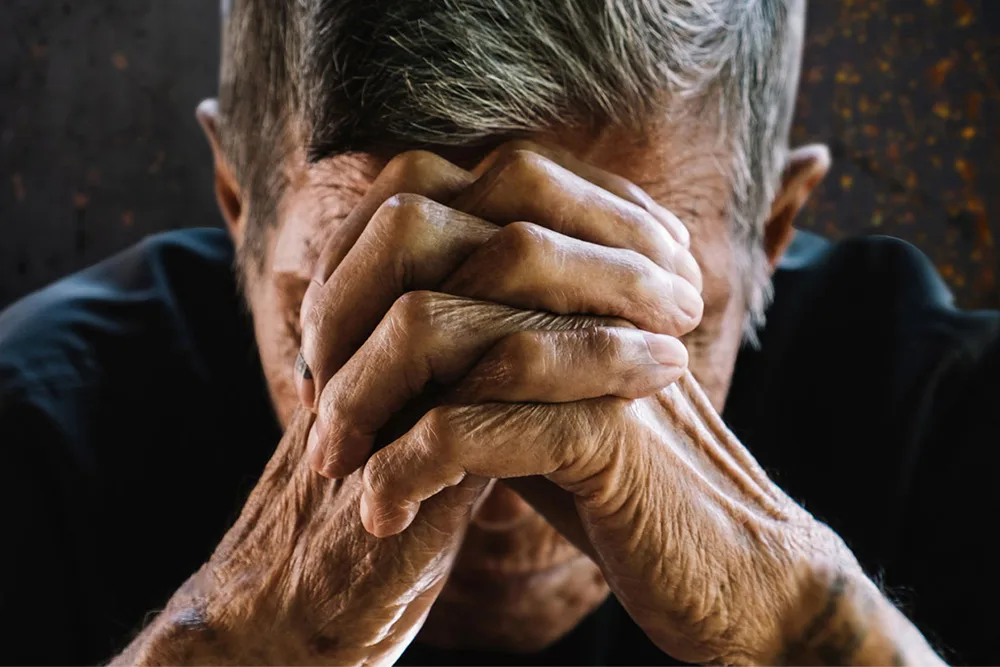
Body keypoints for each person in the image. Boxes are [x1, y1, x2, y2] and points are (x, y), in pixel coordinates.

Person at [0, 0, 995, 664]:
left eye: (605, 309)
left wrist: (792, 623)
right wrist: (233, 641)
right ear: (238, 209)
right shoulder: (33, 442)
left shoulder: (953, 432)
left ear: (771, 230)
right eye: (364, 307)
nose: (491, 468)